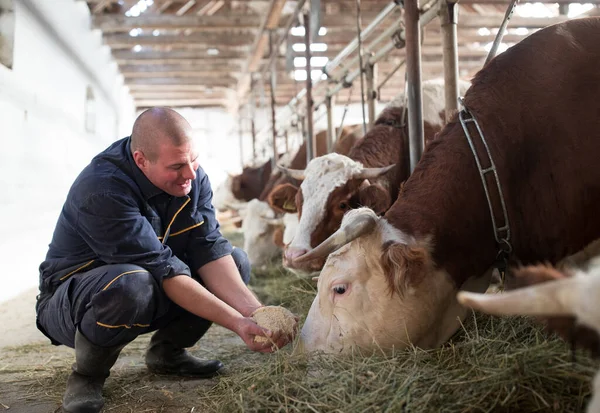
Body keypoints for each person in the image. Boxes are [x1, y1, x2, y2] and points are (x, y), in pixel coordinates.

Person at [35, 107, 297, 413]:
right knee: (132, 284)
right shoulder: (102, 189)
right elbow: (165, 271)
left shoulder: (192, 177)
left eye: (193, 159)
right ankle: (86, 376)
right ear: (141, 161)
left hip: (149, 285)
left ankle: (167, 354)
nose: (190, 173)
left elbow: (208, 248)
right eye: (177, 166)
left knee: (235, 261)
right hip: (75, 303)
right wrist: (237, 324)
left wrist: (257, 312)